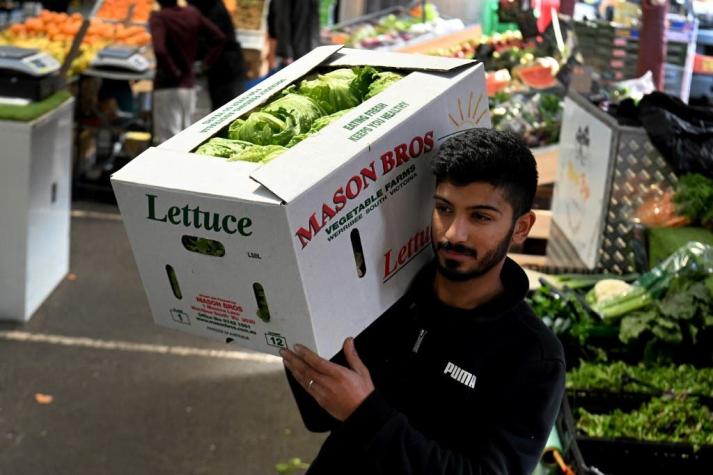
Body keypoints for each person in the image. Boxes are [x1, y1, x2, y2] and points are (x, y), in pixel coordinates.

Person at [280, 128, 566, 474]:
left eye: (480, 217)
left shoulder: (533, 356)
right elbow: (319, 416)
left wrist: (366, 413)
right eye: (444, 209)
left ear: (521, 228)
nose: (453, 233)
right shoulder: (385, 298)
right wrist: (292, 319)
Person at [149, 0, 225, 143]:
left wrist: (172, 70)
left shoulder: (159, 18)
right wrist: (204, 64)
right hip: (189, 84)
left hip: (167, 84)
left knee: (166, 139)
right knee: (185, 136)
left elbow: (159, 49)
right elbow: (219, 37)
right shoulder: (192, 13)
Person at [188, 0, 247, 110]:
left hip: (227, 66)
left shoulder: (212, 10)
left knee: (229, 109)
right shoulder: (209, 9)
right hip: (221, 67)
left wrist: (205, 63)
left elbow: (219, 39)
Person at [268, 0, 321, 66]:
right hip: (294, 53)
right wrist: (286, 54)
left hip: (311, 49)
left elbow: (314, 20)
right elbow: (282, 21)